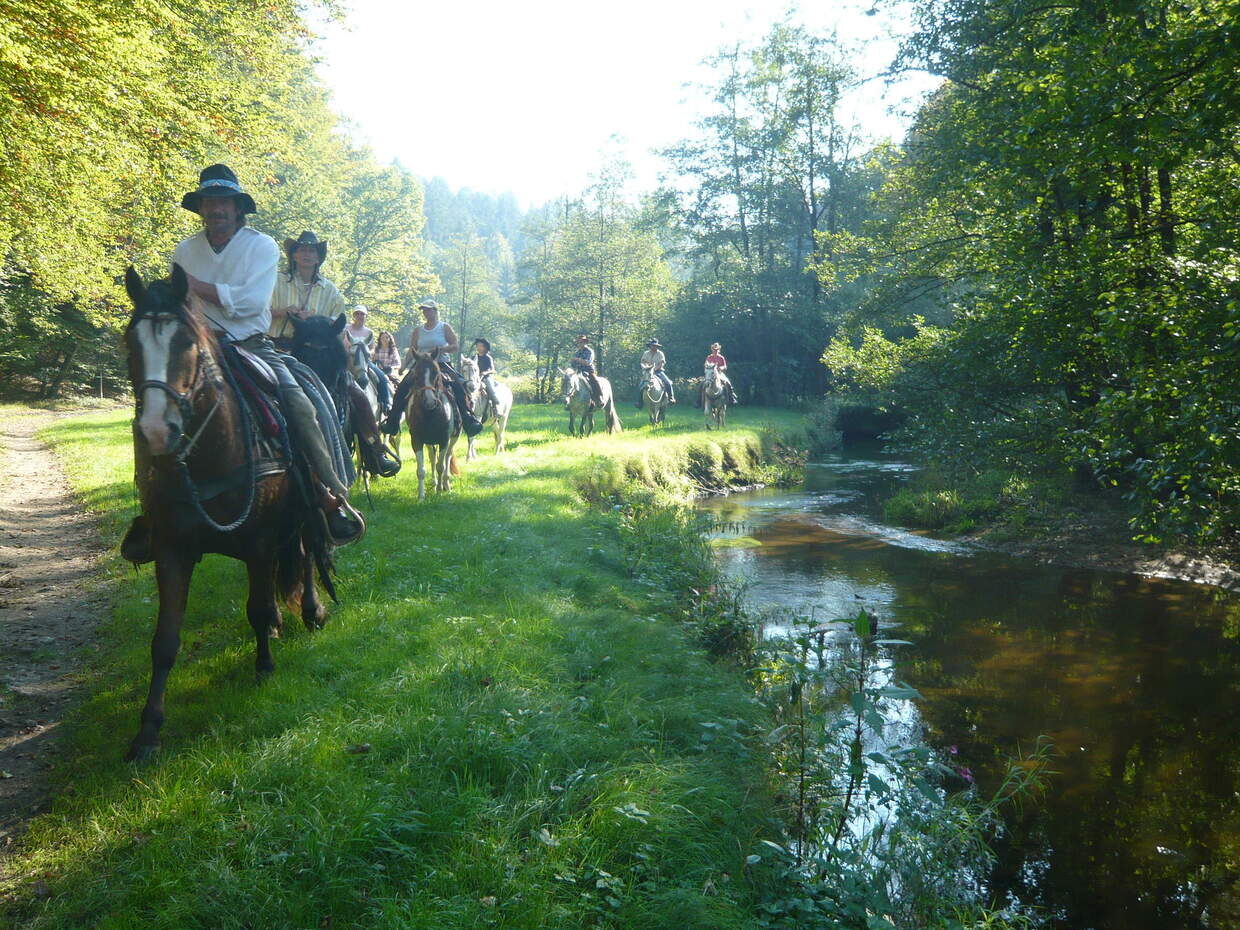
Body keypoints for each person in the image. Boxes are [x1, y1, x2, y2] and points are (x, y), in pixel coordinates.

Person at [123, 164, 366, 560]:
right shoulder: (184, 250)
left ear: (238, 209)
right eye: (209, 201)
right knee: (150, 411)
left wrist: (189, 285)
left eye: (224, 202)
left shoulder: (262, 246)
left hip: (251, 345)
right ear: (200, 207)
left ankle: (328, 494)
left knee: (300, 400)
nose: (216, 209)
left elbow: (251, 305)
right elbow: (183, 307)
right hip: (199, 350)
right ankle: (152, 510)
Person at [383, 300, 483, 437]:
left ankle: (467, 419)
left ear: (435, 311)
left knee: (458, 386)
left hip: (441, 364)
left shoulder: (444, 327)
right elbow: (413, 350)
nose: (425, 312)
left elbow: (455, 346)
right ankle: (392, 422)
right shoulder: (418, 330)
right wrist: (404, 365)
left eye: (428, 310)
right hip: (421, 365)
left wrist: (440, 349)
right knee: (401, 388)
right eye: (424, 310)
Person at [268, 231, 345, 349]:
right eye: (303, 250)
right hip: (274, 346)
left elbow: (339, 325)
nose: (307, 254)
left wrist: (315, 321)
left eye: (312, 251)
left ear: (318, 258)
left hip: (313, 352)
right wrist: (281, 312)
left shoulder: (331, 291)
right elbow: (255, 311)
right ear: (294, 256)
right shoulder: (275, 281)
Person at [341, 305, 391, 410]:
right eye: (357, 313)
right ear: (354, 315)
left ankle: (385, 403)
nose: (360, 316)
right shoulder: (346, 329)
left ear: (366, 316)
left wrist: (368, 352)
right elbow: (342, 343)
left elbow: (373, 348)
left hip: (364, 360)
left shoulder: (369, 332)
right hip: (347, 360)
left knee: (381, 376)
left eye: (362, 314)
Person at [637, 338, 675, 407]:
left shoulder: (660, 353)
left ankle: (671, 398)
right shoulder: (646, 353)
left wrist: (653, 370)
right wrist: (645, 368)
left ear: (657, 346)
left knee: (668, 382)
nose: (654, 347)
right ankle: (639, 401)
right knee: (641, 385)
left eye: (655, 346)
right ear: (650, 346)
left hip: (658, 371)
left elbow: (661, 364)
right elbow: (642, 362)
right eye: (653, 345)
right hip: (647, 371)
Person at [569, 333, 604, 404]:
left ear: (585, 342)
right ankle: (568, 401)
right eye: (578, 342)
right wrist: (572, 362)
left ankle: (599, 398)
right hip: (578, 371)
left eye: (581, 342)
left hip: (588, 371)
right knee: (568, 380)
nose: (579, 343)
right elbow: (573, 364)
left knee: (594, 380)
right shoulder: (577, 352)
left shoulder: (589, 351)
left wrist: (577, 359)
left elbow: (588, 362)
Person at [702, 342, 739, 406]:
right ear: (712, 349)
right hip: (710, 374)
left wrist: (721, 368)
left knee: (727, 382)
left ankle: (731, 398)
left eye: (716, 349)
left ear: (718, 350)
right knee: (702, 384)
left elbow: (725, 366)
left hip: (719, 374)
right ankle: (699, 401)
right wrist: (707, 366)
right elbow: (705, 364)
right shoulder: (709, 357)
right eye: (714, 349)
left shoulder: (721, 357)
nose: (715, 351)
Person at [472, 338, 500, 414]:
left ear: (485, 348)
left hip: (486, 378)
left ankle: (496, 407)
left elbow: (493, 370)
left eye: (481, 346)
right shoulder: (473, 357)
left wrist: (485, 373)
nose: (479, 348)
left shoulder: (488, 358)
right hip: (475, 378)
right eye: (477, 346)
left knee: (491, 390)